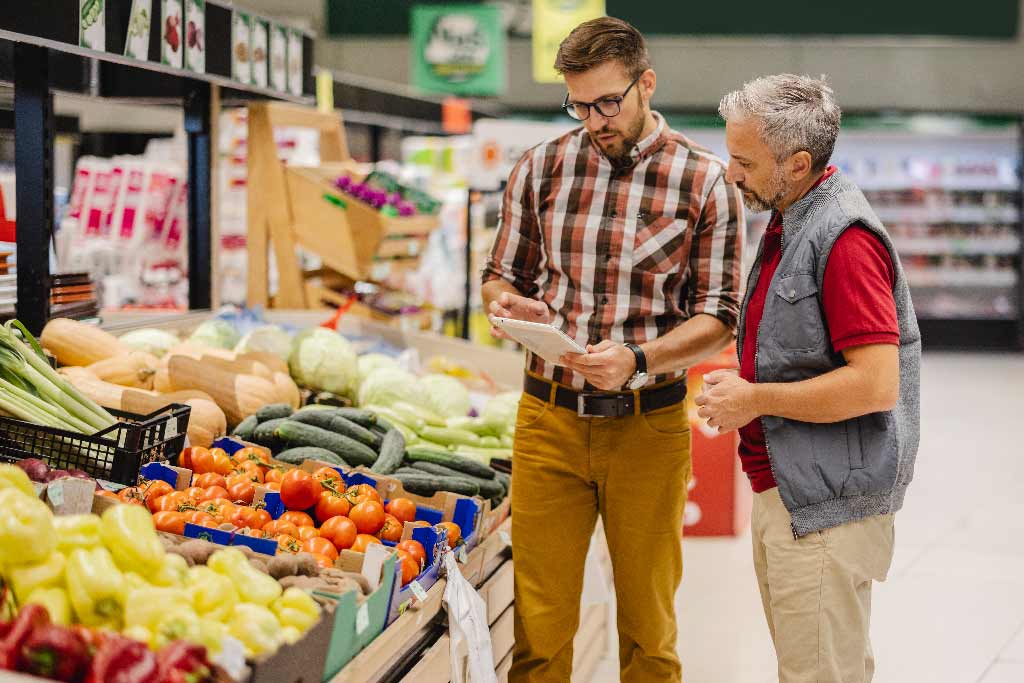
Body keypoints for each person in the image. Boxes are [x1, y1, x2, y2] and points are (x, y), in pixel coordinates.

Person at [480, 17, 743, 683]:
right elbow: (501, 275)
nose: (595, 119)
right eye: (579, 104)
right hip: (547, 422)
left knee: (648, 636)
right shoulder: (541, 167)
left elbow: (720, 315)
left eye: (608, 102)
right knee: (538, 633)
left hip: (647, 426)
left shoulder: (703, 181)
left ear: (645, 83)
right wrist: (508, 304)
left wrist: (638, 358)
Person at [696, 74, 921, 683]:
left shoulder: (843, 239)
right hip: (796, 489)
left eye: (744, 160)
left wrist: (754, 399)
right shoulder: (791, 217)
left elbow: (876, 384)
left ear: (797, 163)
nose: (731, 172)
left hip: (826, 507)